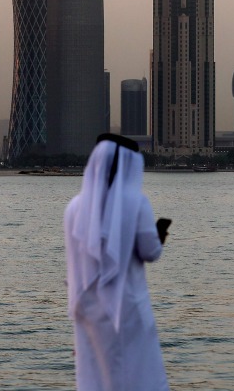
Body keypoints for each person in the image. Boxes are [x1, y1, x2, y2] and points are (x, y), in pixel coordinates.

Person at [64, 133, 170, 391]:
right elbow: (151, 252)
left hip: (87, 306)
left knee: (96, 376)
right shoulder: (136, 203)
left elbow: (74, 260)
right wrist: (160, 233)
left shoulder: (74, 207)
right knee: (137, 376)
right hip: (126, 307)